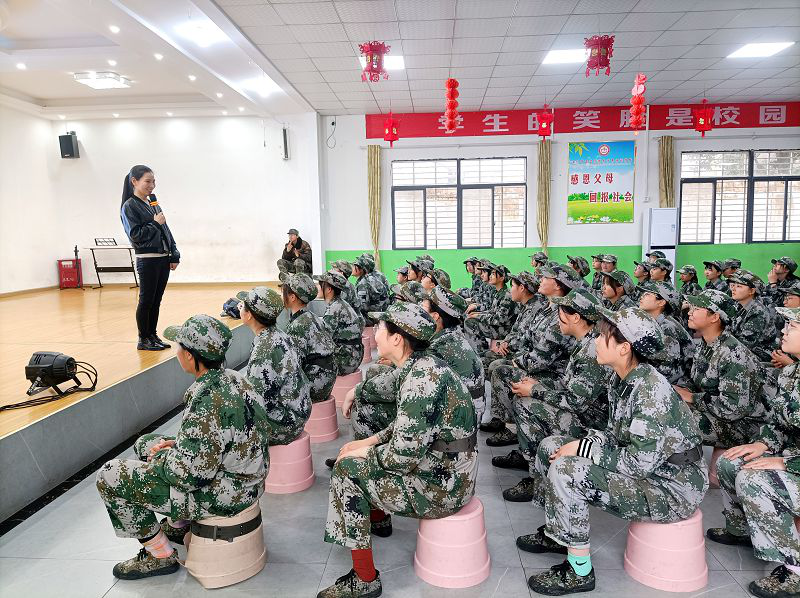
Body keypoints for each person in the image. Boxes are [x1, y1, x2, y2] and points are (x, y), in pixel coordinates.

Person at [521, 307, 707, 596]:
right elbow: (614, 433)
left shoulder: (649, 391)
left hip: (673, 486)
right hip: (652, 470)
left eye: (601, 336)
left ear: (624, 348)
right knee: (552, 448)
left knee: (569, 470)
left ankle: (579, 571)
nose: (594, 341)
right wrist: (585, 444)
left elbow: (638, 464)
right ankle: (557, 535)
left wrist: (583, 449)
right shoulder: (621, 377)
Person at [319, 303, 477, 598]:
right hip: (448, 469)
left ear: (397, 339)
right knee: (356, 453)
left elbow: (403, 457)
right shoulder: (421, 366)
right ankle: (376, 517)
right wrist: (369, 441)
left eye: (380, 328)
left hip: (443, 487)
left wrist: (361, 455)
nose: (375, 333)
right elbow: (408, 426)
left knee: (345, 471)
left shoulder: (420, 380)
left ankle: (365, 578)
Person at [96, 315, 269, 579]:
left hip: (225, 495)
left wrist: (163, 457)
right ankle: (178, 524)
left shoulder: (207, 400)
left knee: (109, 475)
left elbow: (190, 476)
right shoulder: (236, 380)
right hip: (247, 481)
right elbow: (231, 437)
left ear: (190, 356)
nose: (176, 352)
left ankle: (160, 555)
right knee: (146, 443)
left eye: (179, 347)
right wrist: (176, 446)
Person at [707, 306, 800, 598]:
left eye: (793, 326)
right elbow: (778, 422)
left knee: (754, 480)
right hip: (790, 457)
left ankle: (793, 571)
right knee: (731, 461)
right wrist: (762, 444)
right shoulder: (792, 373)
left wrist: (788, 463)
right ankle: (740, 530)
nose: (783, 331)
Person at [504, 289, 612, 503]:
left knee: (526, 404)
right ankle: (536, 466)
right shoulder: (585, 342)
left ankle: (537, 478)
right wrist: (537, 383)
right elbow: (568, 385)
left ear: (576, 317)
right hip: (582, 410)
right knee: (525, 393)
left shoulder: (591, 351)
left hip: (591, 424)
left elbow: (576, 402)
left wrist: (535, 391)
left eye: (561, 311)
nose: (556, 316)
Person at [489, 264, 582, 485]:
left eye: (546, 277)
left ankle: (528, 450)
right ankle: (523, 441)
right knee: (500, 370)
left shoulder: (562, 315)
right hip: (536, 366)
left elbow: (542, 357)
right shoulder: (546, 310)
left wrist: (514, 361)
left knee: (505, 375)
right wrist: (510, 349)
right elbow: (526, 340)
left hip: (552, 375)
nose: (540, 279)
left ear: (558, 285)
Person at [673, 290, 767, 449]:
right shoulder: (707, 343)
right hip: (722, 414)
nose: (690, 312)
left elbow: (732, 410)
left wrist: (692, 398)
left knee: (674, 421)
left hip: (746, 425)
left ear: (715, 317)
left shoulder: (731, 354)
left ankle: (689, 471)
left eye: (696, 309)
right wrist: (681, 390)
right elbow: (698, 379)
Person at [238, 287, 311, 445]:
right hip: (298, 411)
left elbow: (256, 402)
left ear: (250, 315)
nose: (240, 309)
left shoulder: (264, 350)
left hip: (285, 425)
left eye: (242, 306)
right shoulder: (279, 334)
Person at [120, 165, 180, 351]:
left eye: (153, 181)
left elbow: (165, 229)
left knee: (156, 300)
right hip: (147, 259)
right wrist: (154, 223)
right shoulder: (129, 205)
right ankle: (143, 338)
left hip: (162, 258)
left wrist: (174, 252)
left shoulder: (153, 203)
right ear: (134, 181)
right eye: (147, 181)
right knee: (146, 300)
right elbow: (135, 235)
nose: (152, 185)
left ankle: (152, 335)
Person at [480, 271, 545, 442]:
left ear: (522, 288)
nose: (511, 291)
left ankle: (510, 424)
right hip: (515, 351)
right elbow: (515, 331)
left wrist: (509, 348)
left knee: (496, 368)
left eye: (513, 286)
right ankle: (499, 415)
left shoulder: (536, 308)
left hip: (524, 357)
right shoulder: (526, 306)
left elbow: (528, 340)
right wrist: (505, 343)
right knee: (484, 358)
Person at [422, 287, 485, 413]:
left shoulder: (440, 346)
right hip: (464, 410)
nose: (419, 312)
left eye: (423, 309)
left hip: (459, 420)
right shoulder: (452, 334)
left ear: (435, 316)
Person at [281, 273, 337, 403]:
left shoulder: (298, 325)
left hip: (316, 385)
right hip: (326, 378)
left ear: (292, 297)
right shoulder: (312, 316)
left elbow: (294, 365)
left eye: (284, 293)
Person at [638, 281, 694, 386]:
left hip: (678, 384)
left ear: (661, 302)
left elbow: (670, 370)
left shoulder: (667, 327)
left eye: (647, 294)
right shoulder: (653, 323)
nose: (642, 297)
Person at [316, 271, 365, 375]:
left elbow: (323, 340)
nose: (318, 288)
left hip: (347, 360)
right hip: (354, 354)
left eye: (320, 285)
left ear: (329, 289)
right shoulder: (341, 304)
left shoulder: (334, 309)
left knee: (310, 363)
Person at [465, 262, 519, 352]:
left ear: (501, 278)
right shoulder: (499, 292)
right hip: (498, 326)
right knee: (471, 317)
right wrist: (478, 313)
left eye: (494, 274)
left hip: (503, 329)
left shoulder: (506, 295)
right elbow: (492, 311)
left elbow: (499, 320)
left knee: (470, 323)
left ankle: (479, 351)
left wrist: (478, 316)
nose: (490, 276)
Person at [728, 269, 779, 362]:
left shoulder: (757, 311)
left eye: (739, 286)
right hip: (747, 351)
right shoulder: (739, 305)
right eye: (733, 285)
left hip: (761, 356)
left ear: (751, 291)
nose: (733, 289)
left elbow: (745, 344)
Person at [352, 255, 390, 325]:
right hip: (382, 315)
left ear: (362, 269)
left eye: (355, 266)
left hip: (371, 319)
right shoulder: (376, 277)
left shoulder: (363, 283)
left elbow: (363, 307)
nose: (352, 268)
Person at [772, 280, 800, 369]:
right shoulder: (788, 319)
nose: (784, 302)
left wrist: (789, 363)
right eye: (785, 298)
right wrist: (780, 359)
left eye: (790, 298)